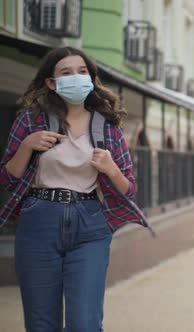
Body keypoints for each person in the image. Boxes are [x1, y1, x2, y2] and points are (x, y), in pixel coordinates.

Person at [0, 47, 152, 331]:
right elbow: (8, 179)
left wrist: (111, 168)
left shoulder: (107, 127)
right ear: (51, 83)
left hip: (90, 224)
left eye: (82, 72)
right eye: (66, 73)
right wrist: (26, 145)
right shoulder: (30, 120)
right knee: (41, 323)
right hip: (38, 221)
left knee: (85, 323)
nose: (76, 77)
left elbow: (128, 189)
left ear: (92, 79)